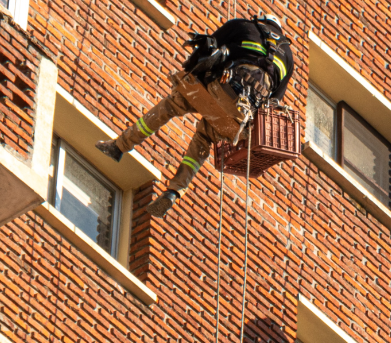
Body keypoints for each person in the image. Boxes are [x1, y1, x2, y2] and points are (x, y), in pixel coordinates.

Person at [95, 15, 295, 218]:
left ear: (261, 20)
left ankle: (119, 146)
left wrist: (191, 71)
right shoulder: (288, 55)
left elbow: (208, 49)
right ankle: (174, 191)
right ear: (278, 29)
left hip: (222, 87)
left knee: (170, 106)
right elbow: (274, 104)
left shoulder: (243, 25)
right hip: (243, 115)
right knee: (204, 138)